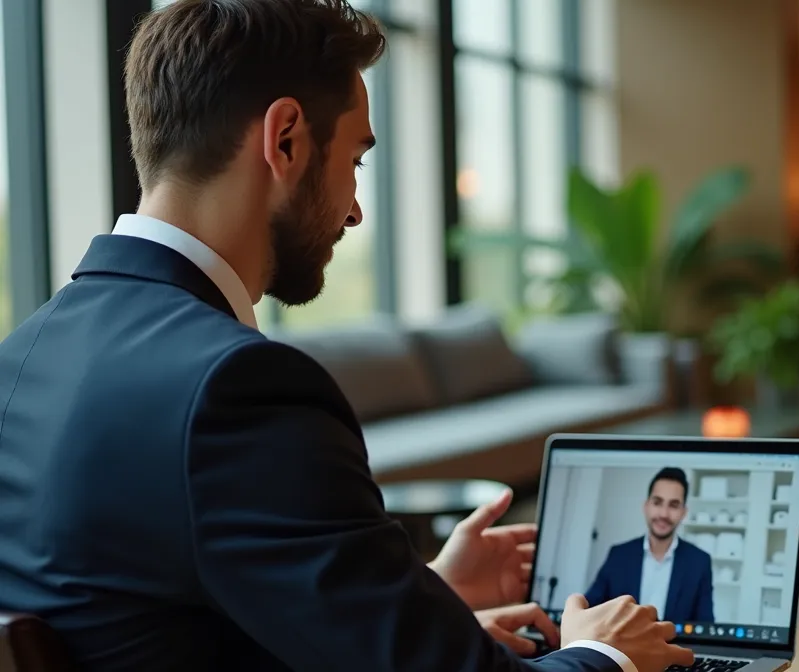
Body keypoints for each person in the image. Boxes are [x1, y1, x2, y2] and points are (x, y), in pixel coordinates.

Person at [0, 2, 692, 671]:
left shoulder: (21, 358)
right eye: (355, 160)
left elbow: (156, 616)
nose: (356, 210)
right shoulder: (237, 389)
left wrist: (419, 600)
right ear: (287, 139)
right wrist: (604, 652)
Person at [586, 469, 715, 624]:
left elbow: (705, 626)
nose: (664, 514)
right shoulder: (618, 555)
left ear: (683, 512)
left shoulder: (700, 562)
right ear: (646, 506)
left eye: (673, 505)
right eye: (657, 502)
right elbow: (590, 609)